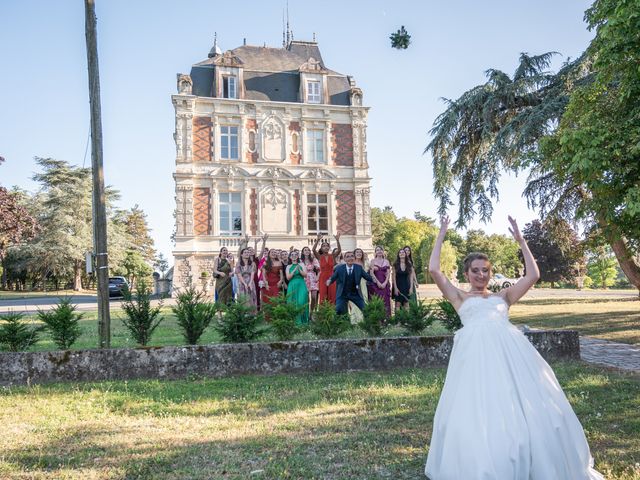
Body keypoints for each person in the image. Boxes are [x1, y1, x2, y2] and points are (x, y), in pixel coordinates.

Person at [424, 216, 604, 480]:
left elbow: (533, 275)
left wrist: (522, 241)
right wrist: (441, 234)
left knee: (523, 405)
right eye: (475, 270)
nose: (481, 275)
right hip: (475, 359)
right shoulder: (459, 296)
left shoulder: (503, 296)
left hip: (511, 355)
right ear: (466, 273)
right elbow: (434, 270)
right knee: (479, 407)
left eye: (485, 270)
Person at [326, 251, 374, 316]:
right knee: (338, 309)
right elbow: (333, 277)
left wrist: (373, 278)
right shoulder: (340, 268)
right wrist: (329, 280)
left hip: (355, 294)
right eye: (347, 257)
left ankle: (369, 325)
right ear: (345, 259)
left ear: (354, 258)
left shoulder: (358, 268)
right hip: (342, 294)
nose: (350, 258)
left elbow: (367, 277)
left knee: (365, 309)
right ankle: (338, 324)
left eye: (352, 256)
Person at [313, 233, 341, 305]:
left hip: (332, 277)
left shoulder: (332, 256)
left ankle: (332, 313)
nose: (326, 247)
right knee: (323, 295)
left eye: (327, 246)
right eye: (324, 246)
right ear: (321, 248)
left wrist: (337, 240)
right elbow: (313, 250)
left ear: (329, 248)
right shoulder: (320, 256)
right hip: (322, 278)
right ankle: (323, 314)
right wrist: (318, 240)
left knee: (332, 295)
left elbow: (339, 250)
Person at [285, 249, 309, 326]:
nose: (294, 256)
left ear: (298, 256)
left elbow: (305, 275)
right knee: (292, 302)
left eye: (295, 254)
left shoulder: (302, 264)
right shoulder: (288, 266)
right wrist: (294, 269)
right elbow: (288, 277)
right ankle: (293, 321)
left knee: (301, 302)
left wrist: (299, 269)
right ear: (290, 257)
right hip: (292, 285)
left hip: (301, 284)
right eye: (292, 255)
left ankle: (303, 321)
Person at [368, 245, 392, 317]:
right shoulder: (372, 261)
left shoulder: (387, 261)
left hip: (385, 284)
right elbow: (371, 273)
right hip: (376, 284)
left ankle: (387, 319)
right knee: (378, 301)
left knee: (386, 301)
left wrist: (385, 283)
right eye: (377, 250)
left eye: (380, 250)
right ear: (375, 252)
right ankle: (378, 319)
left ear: (383, 251)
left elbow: (388, 273)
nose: (379, 251)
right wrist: (378, 282)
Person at [260, 248, 284, 313]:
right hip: (268, 284)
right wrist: (266, 284)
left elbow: (281, 275)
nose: (273, 253)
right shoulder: (265, 263)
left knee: (276, 300)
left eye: (275, 252)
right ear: (269, 254)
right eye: (272, 252)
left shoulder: (279, 263)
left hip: (276, 284)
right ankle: (268, 318)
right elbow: (264, 275)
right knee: (268, 300)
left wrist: (280, 281)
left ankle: (275, 316)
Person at [349, 248, 369, 323]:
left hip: (363, 283)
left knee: (364, 300)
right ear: (354, 254)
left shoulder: (366, 263)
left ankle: (362, 320)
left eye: (360, 252)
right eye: (357, 252)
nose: (359, 253)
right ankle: (354, 321)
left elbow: (372, 269)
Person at [301, 246, 321, 313]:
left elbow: (319, 270)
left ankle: (311, 312)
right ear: (303, 252)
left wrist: (317, 277)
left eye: (308, 250)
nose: (307, 251)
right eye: (305, 250)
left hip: (313, 278)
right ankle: (306, 313)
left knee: (314, 297)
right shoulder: (300, 261)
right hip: (304, 279)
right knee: (306, 298)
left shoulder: (313, 260)